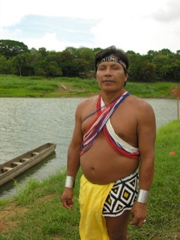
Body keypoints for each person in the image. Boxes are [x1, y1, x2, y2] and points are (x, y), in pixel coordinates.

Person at [61, 46, 156, 240]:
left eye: (115, 68)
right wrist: (68, 185)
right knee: (91, 231)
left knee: (116, 235)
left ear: (126, 75)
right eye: (102, 68)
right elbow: (74, 147)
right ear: (96, 74)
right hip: (88, 185)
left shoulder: (141, 109)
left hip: (122, 186)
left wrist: (142, 201)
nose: (108, 73)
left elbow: (147, 157)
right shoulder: (83, 107)